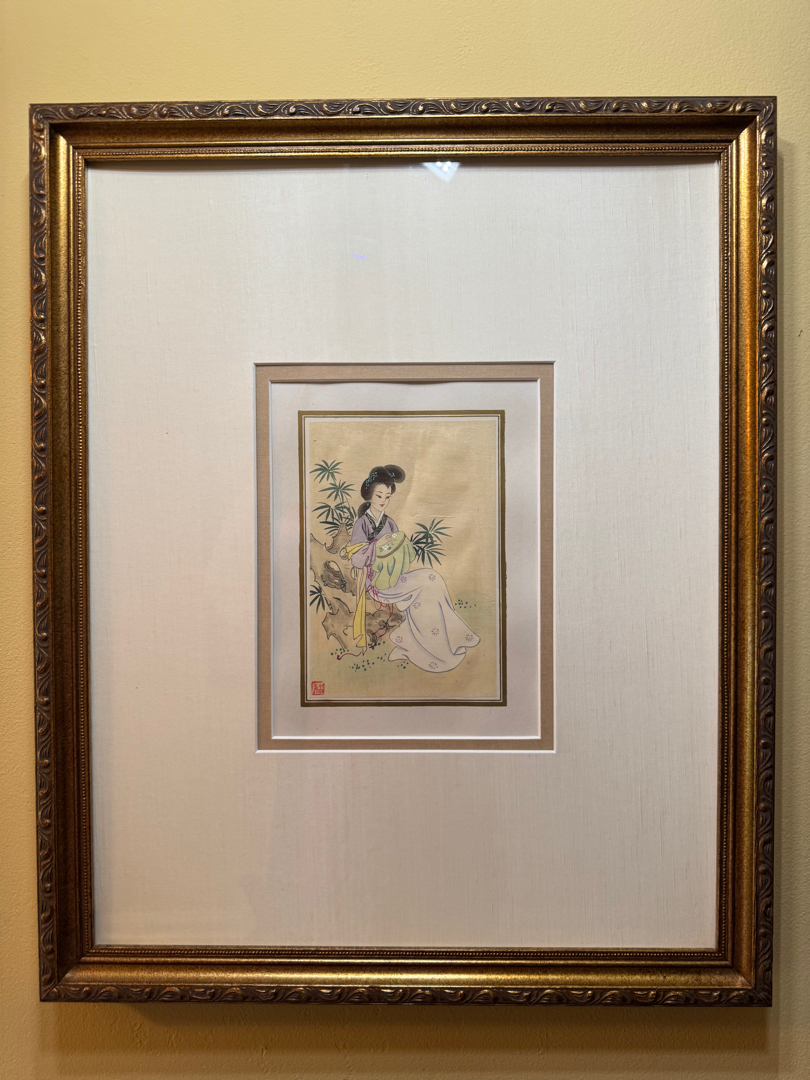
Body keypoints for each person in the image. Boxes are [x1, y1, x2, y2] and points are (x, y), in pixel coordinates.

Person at [346, 465, 480, 671]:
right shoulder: (361, 524)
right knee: (427, 585)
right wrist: (377, 546)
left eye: (387, 497)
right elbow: (356, 559)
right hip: (376, 582)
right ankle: (436, 650)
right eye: (379, 495)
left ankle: (447, 639)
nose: (383, 501)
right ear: (369, 495)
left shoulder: (390, 523)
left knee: (432, 579)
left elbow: (399, 555)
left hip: (394, 577)